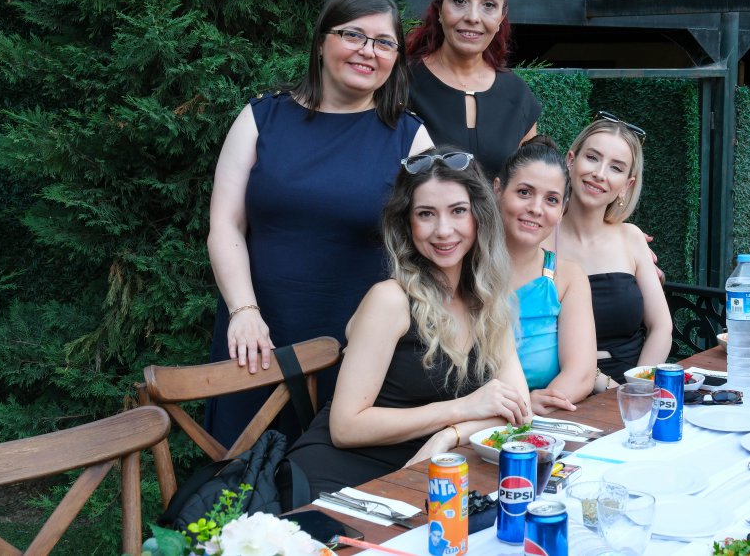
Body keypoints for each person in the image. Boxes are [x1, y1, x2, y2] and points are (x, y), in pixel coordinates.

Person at [205, 0, 433, 446]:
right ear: (322, 41)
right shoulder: (261, 118)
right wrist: (243, 312)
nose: (368, 51)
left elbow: (434, 245)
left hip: (358, 350)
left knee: (336, 477)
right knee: (238, 474)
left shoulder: (411, 139)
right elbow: (225, 224)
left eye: (384, 42)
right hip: (257, 338)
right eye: (353, 35)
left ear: (395, 58)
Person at [285, 148, 531, 495]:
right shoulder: (390, 300)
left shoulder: (488, 302)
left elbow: (519, 411)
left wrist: (450, 436)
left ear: (479, 217)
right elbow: (345, 428)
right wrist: (461, 409)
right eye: (426, 214)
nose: (443, 230)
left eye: (458, 211)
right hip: (340, 477)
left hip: (423, 474)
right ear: (407, 223)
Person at [551, 116, 673, 384]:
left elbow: (661, 327)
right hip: (561, 386)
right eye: (592, 158)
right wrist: (600, 384)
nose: (600, 173)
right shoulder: (539, 239)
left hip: (630, 384)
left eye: (616, 168)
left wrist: (638, 388)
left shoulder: (631, 238)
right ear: (571, 161)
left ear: (626, 185)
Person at [405, 0, 541, 178]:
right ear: (439, 8)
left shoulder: (517, 95)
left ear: (501, 16)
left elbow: (526, 184)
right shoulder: (401, 82)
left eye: (488, 4)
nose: (473, 17)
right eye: (460, 1)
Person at [494, 136, 598, 415]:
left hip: (540, 420)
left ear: (562, 210)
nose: (536, 208)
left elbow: (581, 374)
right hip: (468, 420)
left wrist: (528, 410)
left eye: (551, 200)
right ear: (498, 190)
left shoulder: (568, 277)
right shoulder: (465, 269)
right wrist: (522, 407)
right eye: (524, 192)